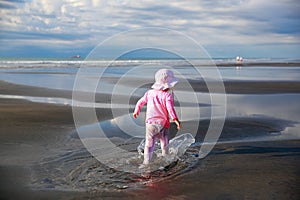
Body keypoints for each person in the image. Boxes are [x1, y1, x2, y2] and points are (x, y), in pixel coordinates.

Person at [133, 69, 181, 166]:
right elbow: (170, 109)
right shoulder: (167, 95)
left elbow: (140, 102)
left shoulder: (149, 93)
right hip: (162, 123)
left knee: (149, 143)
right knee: (164, 141)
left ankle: (146, 162)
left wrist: (136, 110)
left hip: (150, 123)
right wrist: (176, 120)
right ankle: (165, 157)